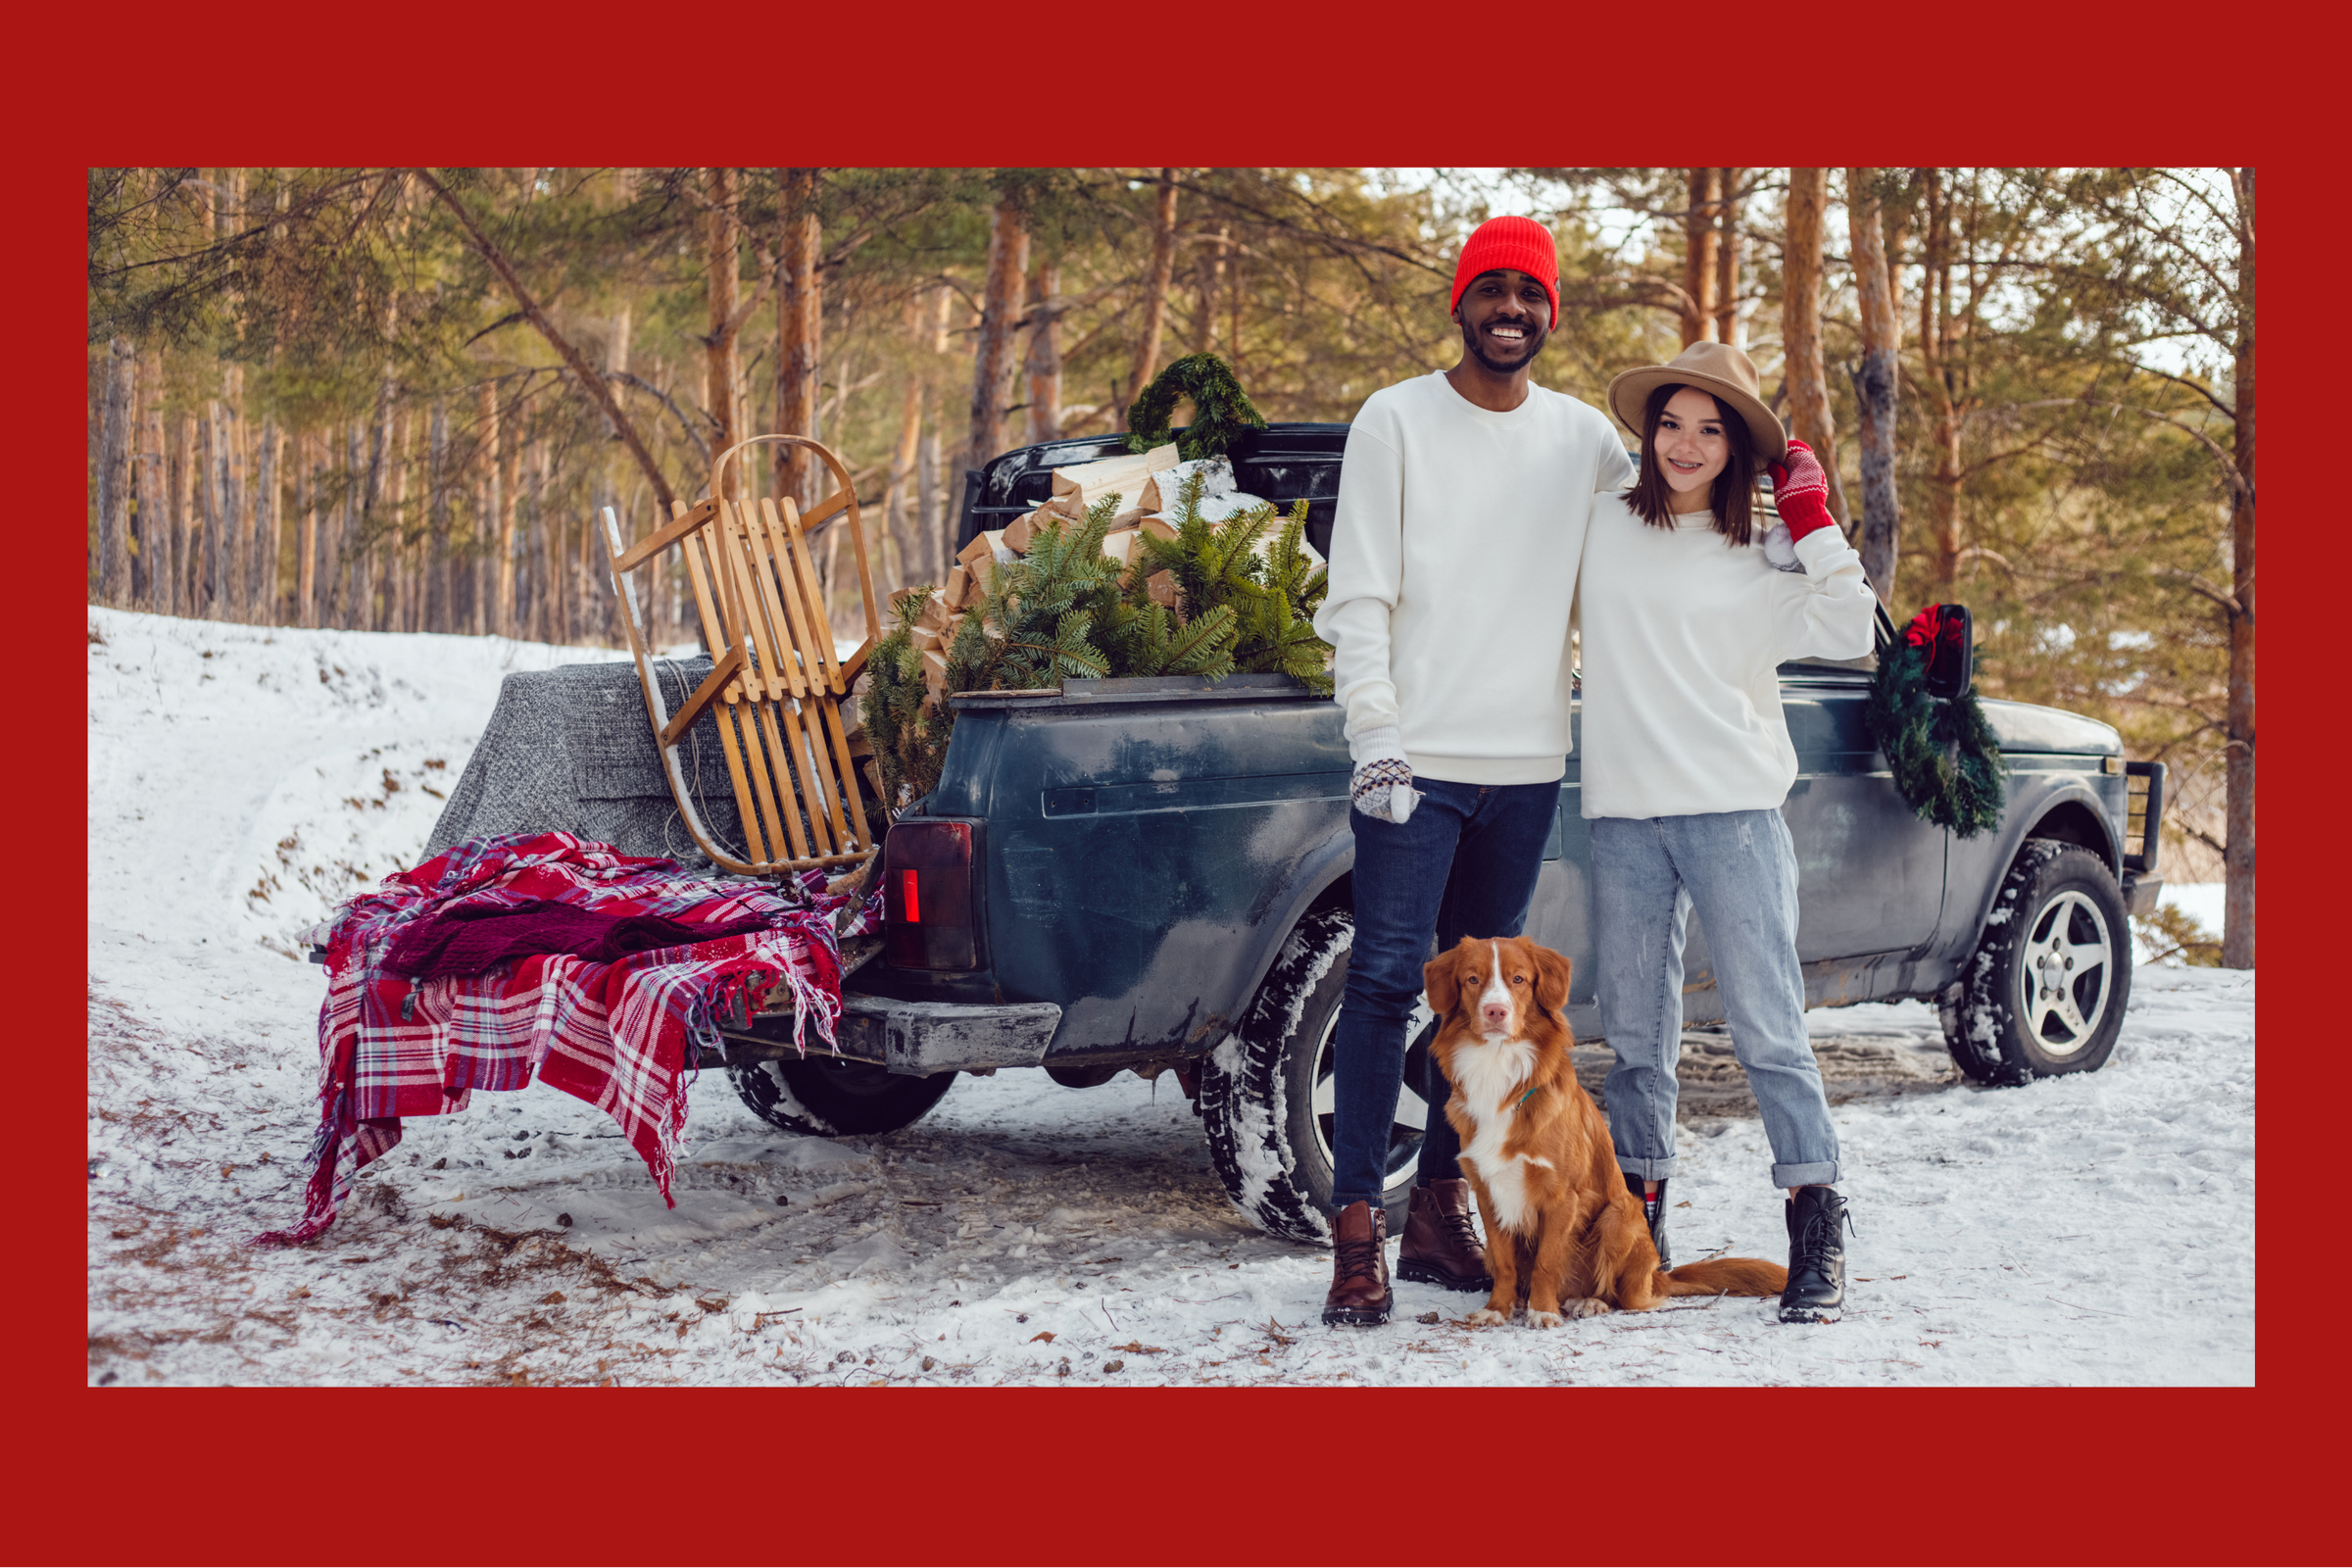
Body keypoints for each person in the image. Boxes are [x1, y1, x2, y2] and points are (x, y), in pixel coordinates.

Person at [1311, 217, 1636, 1326]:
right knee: (1382, 983)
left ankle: (1439, 1213)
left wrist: (1785, 507)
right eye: (1491, 290)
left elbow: (1667, 525)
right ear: (1460, 304)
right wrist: (1376, 736)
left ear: (1554, 312)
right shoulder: (1395, 420)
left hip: (1526, 765)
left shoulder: (1587, 441)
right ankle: (1357, 1234)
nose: (1511, 309)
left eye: (1530, 293)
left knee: (1482, 1015)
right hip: (1417, 761)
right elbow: (1357, 594)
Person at [1576, 341, 1878, 1322]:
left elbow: (1854, 629)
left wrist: (1813, 520)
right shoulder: (1602, 526)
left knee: (1767, 1027)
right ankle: (1639, 1225)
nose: (1686, 444)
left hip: (1736, 815)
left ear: (1739, 445)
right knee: (1635, 1037)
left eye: (1712, 429)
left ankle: (1816, 1214)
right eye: (1672, 423)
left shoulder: (1766, 552)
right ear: (1648, 428)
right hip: (1623, 816)